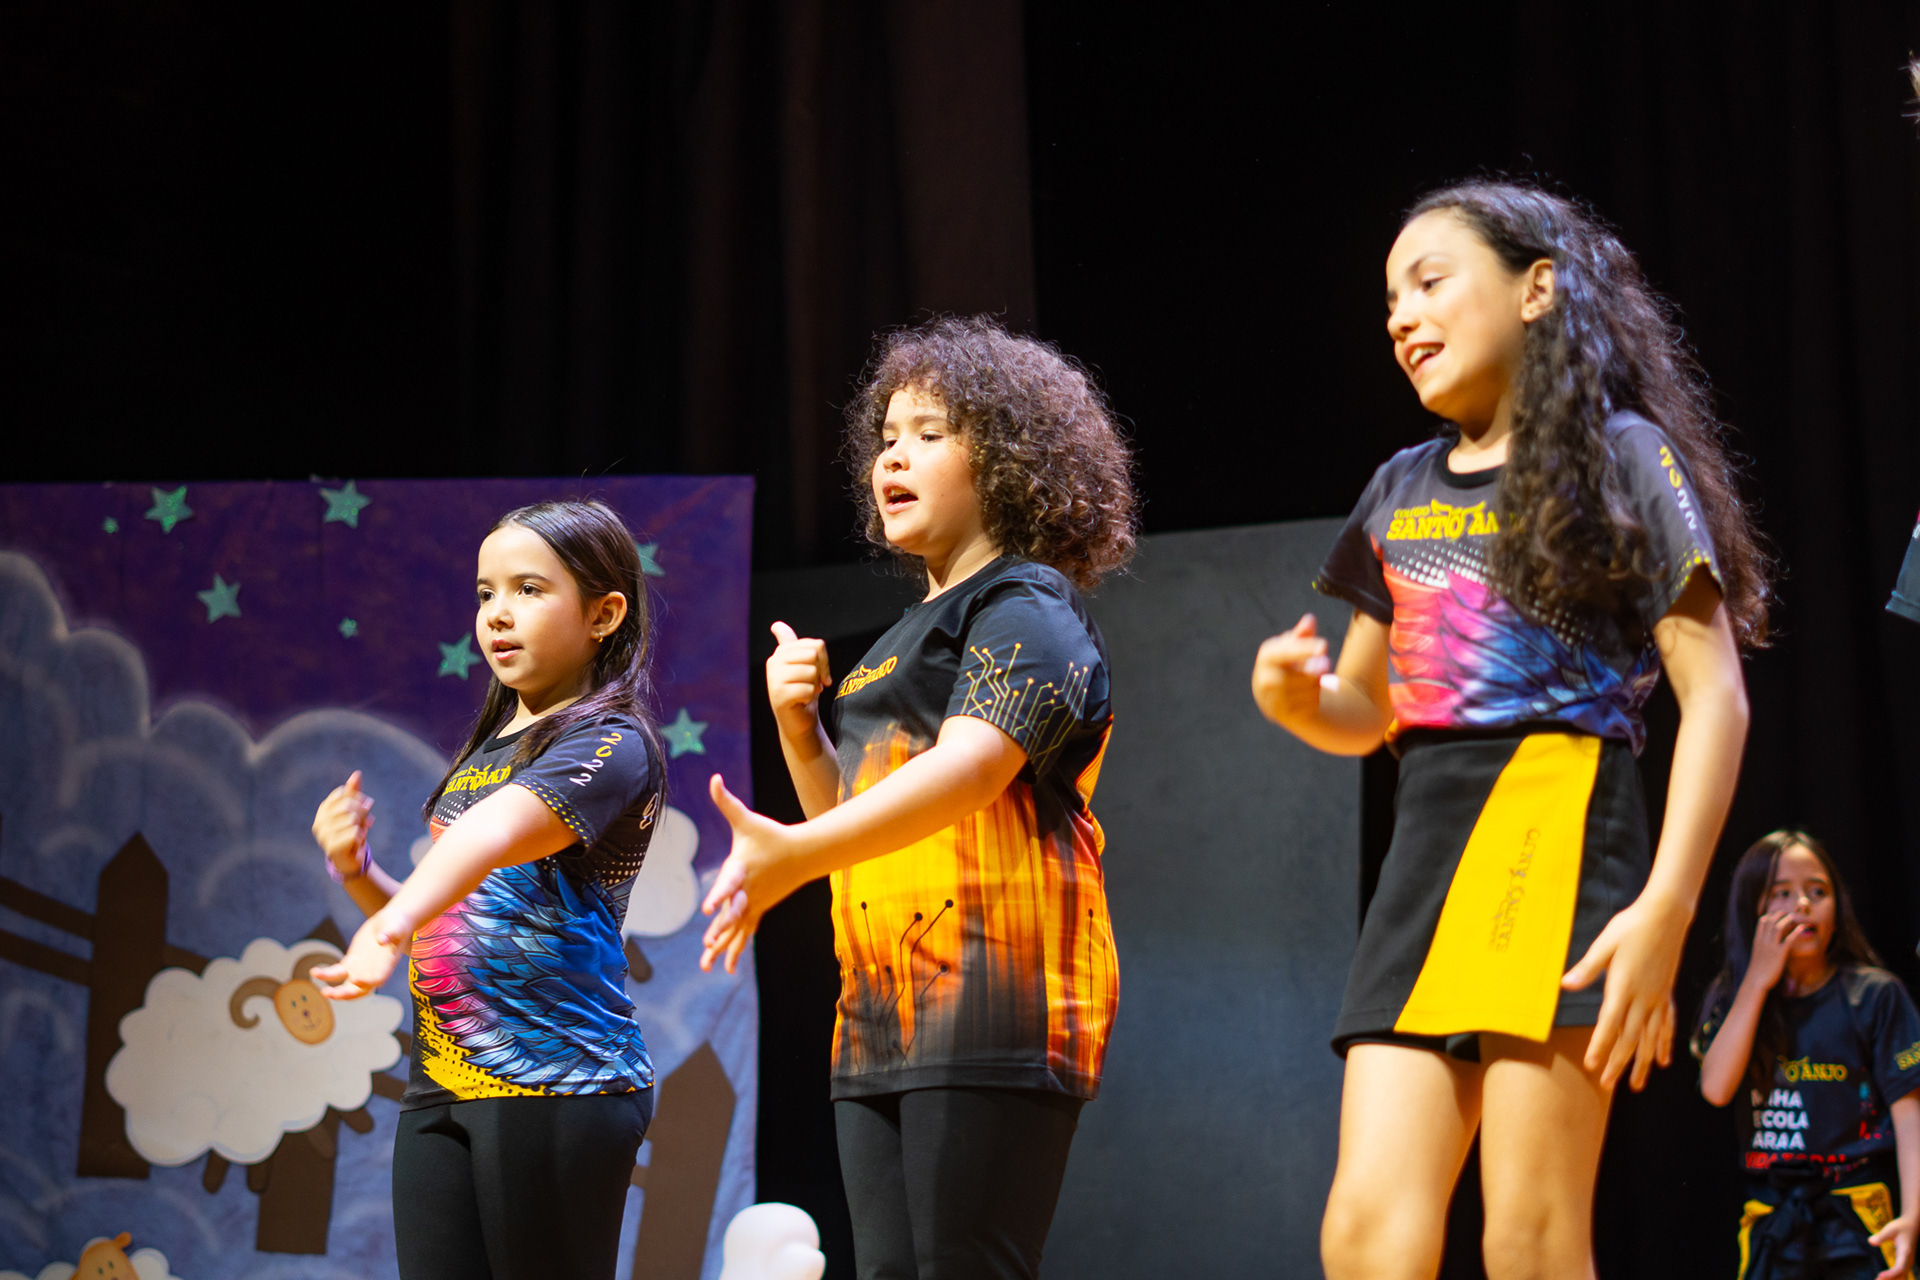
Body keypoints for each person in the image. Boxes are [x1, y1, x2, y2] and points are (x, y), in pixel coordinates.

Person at [1251, 180, 1770, 1279]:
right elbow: (1369, 708)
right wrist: (1299, 703)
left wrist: (1668, 907)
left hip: (1560, 828)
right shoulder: (1398, 488)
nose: (1401, 316)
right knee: (1364, 1234)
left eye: (1429, 281)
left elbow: (1716, 696)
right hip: (1425, 859)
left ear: (1537, 288)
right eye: (1389, 300)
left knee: (1528, 1239)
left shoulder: (1620, 456)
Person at [697, 315, 1136, 1279]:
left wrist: (790, 855)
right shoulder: (903, 638)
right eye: (887, 438)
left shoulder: (1024, 602)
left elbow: (974, 767)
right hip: (880, 1003)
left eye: (929, 434)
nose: (891, 457)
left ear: (1010, 461)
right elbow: (850, 830)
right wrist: (800, 730)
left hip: (995, 987)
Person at [308, 499, 664, 1280]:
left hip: (557, 1082)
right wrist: (360, 873)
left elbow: (499, 831)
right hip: (442, 1083)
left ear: (604, 614)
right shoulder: (485, 753)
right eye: (485, 593)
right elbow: (454, 916)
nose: (498, 614)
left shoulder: (610, 741)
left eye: (528, 590)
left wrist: (387, 925)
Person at [1694, 830, 1920, 1279]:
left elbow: (1910, 1115)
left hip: (1859, 1217)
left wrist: (1914, 1214)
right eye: (1781, 893)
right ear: (1752, 908)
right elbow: (1716, 1089)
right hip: (1772, 1222)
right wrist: (1758, 980)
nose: (1802, 904)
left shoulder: (1875, 995)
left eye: (1817, 891)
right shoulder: (1733, 998)